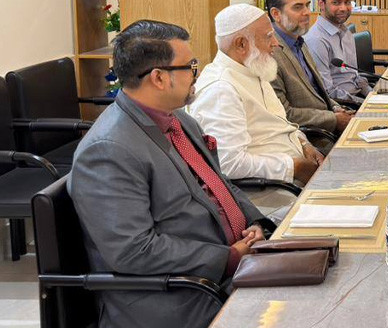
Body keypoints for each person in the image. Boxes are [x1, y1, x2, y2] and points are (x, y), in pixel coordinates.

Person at [69, 20, 268, 328]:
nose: (195, 75)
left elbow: (219, 183)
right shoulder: (108, 150)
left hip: (223, 268)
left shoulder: (178, 120)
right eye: (190, 67)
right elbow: (133, 250)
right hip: (179, 293)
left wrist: (254, 223)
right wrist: (227, 258)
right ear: (159, 78)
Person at [189, 3, 324, 186]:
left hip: (295, 175)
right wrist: (295, 167)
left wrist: (305, 145)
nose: (276, 43)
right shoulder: (220, 89)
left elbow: (280, 124)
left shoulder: (254, 66)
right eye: (268, 36)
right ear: (241, 44)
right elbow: (229, 164)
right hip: (270, 191)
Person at [266, 0, 353, 135]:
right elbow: (284, 113)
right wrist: (333, 119)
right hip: (314, 136)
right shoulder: (270, 54)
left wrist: (337, 108)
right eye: (298, 7)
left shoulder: (299, 41)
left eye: (307, 5)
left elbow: (318, 92)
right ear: (276, 14)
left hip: (330, 121)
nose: (306, 12)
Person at [304, 0, 373, 108]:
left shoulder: (345, 31)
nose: (343, 8)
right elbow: (327, 92)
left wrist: (372, 95)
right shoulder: (316, 40)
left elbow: (355, 77)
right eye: (336, 3)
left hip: (358, 97)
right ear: (321, 4)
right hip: (343, 105)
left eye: (347, 2)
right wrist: (364, 103)